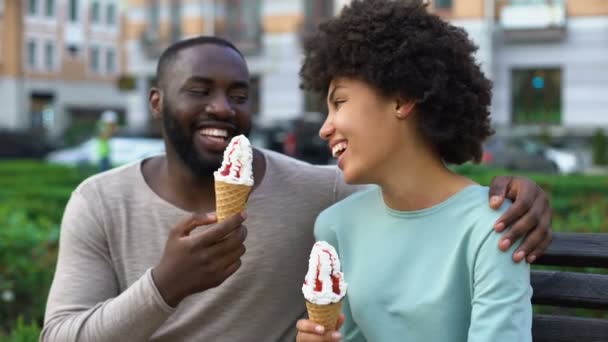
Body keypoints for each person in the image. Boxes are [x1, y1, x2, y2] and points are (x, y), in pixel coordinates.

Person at [41, 36, 551, 341]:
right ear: (155, 102)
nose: (223, 107)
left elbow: (425, 200)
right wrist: (164, 286)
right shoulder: (100, 200)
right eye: (199, 91)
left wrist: (518, 194)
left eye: (239, 95)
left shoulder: (323, 198)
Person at [296, 1, 536, 341]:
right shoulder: (336, 227)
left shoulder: (491, 227)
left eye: (340, 103)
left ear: (401, 100)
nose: (325, 128)